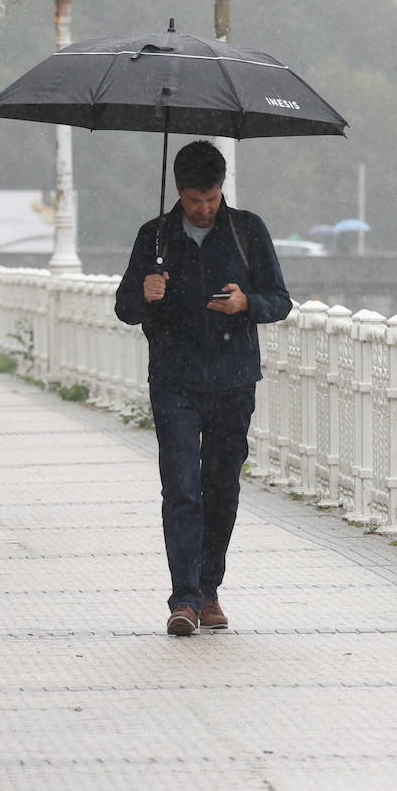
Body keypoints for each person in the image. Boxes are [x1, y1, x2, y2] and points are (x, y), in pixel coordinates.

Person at [115, 140, 292, 636]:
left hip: (234, 380)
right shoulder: (155, 237)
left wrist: (246, 304)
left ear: (222, 190)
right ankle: (184, 599)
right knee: (180, 487)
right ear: (179, 191)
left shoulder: (247, 231)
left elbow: (280, 300)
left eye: (212, 198)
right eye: (196, 200)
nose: (205, 209)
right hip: (174, 380)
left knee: (222, 488)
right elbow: (124, 307)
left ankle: (210, 588)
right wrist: (145, 294)